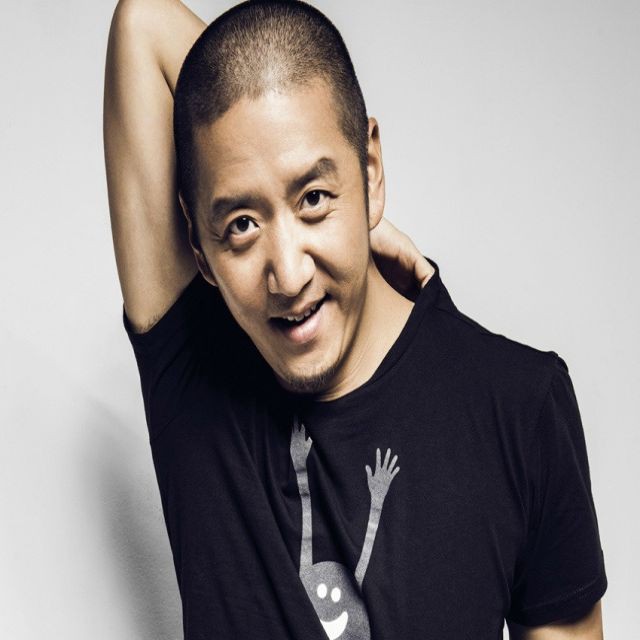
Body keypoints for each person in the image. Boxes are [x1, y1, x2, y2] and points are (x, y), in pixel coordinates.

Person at [103, 1, 607, 638]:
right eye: (242, 224)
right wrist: (327, 201)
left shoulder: (520, 404)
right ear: (200, 248)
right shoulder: (194, 374)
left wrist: (350, 207)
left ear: (370, 168)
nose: (289, 275)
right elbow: (143, 23)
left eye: (314, 197)